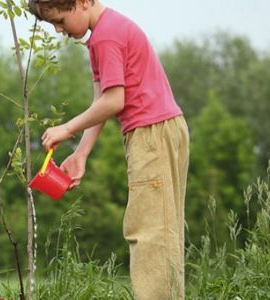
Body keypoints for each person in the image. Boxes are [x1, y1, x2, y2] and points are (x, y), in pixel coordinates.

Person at [28, 0, 189, 299]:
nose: (59, 30)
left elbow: (115, 101)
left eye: (60, 21)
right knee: (163, 227)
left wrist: (67, 129)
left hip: (151, 133)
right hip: (160, 129)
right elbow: (101, 101)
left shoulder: (106, 36)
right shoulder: (103, 34)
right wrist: (82, 153)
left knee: (150, 231)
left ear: (82, 3)